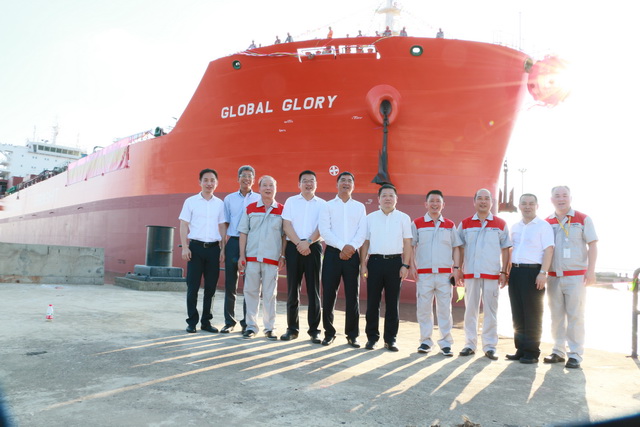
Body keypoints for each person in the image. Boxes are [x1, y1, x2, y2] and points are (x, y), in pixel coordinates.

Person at [544, 186, 598, 369]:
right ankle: (558, 351)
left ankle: (575, 354)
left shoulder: (583, 219)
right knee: (556, 316)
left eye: (564, 195)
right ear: (552, 199)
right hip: (553, 277)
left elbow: (593, 245)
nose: (561, 199)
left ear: (570, 198)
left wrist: (591, 271)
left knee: (576, 315)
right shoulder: (546, 222)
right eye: (557, 196)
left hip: (575, 277)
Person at [457, 188, 511, 360]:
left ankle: (489, 346)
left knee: (491, 311)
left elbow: (506, 249)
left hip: (492, 274)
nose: (483, 201)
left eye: (486, 198)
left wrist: (504, 271)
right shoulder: (465, 224)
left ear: (491, 202)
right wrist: (458, 269)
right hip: (471, 274)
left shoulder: (500, 224)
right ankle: (469, 344)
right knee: (470, 310)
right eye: (479, 198)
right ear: (474, 202)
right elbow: (459, 248)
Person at [360, 184, 412, 351]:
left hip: (395, 263)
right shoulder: (370, 218)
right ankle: (372, 338)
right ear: (379, 199)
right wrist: (363, 264)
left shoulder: (403, 218)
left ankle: (390, 339)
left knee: (392, 303)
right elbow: (365, 242)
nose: (387, 198)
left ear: (396, 199)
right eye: (384, 195)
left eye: (391, 195)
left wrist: (405, 265)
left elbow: (407, 243)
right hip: (375, 262)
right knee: (372, 302)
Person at [319, 171, 367, 347]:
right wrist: (342, 247)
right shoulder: (327, 206)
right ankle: (329, 333)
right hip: (332, 254)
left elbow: (362, 231)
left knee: (353, 296)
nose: (346, 183)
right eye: (343, 180)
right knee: (329, 295)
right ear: (337, 184)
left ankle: (352, 334)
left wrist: (351, 247)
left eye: (349, 181)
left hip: (352, 254)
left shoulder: (360, 207)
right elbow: (324, 230)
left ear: (353, 186)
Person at [411, 190, 462, 357]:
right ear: (426, 204)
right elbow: (411, 245)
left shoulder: (450, 224)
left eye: (438, 201)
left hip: (444, 276)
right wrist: (412, 266)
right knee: (424, 309)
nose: (435, 204)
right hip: (424, 274)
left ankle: (446, 343)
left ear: (443, 205)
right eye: (431, 201)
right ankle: (425, 341)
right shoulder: (417, 223)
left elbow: (456, 247)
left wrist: (456, 269)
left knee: (445, 310)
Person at [505, 194, 554, 364]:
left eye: (531, 204)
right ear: (519, 206)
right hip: (516, 271)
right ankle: (520, 349)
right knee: (517, 312)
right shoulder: (515, 227)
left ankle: (532, 352)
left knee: (533, 313)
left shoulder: (543, 226)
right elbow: (511, 250)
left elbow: (549, 250)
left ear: (537, 206)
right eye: (524, 203)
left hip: (533, 273)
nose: (527, 206)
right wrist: (507, 272)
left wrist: (543, 273)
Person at [238, 176, 286, 340]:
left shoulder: (282, 210)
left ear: (276, 188)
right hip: (252, 258)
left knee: (270, 294)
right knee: (250, 292)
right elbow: (243, 232)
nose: (268, 188)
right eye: (264, 185)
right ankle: (251, 327)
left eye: (271, 185)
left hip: (271, 259)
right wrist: (242, 256)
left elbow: (284, 235)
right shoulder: (250, 208)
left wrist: (282, 255)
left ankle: (269, 328)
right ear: (259, 189)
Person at [178, 168, 226, 333]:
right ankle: (192, 322)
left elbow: (222, 226)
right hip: (195, 248)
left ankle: (206, 322)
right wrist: (185, 247)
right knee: (193, 287)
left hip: (213, 249)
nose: (209, 183)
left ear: (216, 183)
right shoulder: (190, 201)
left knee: (211, 288)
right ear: (200, 182)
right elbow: (183, 224)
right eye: (205, 180)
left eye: (212, 180)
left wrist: (222, 249)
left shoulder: (220, 204)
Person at [281, 171, 325, 343]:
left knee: (314, 290)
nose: (308, 184)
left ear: (316, 184)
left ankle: (314, 330)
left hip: (313, 247)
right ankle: (292, 329)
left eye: (311, 181)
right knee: (293, 289)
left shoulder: (323, 204)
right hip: (294, 247)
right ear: (299, 184)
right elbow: (286, 225)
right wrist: (299, 243)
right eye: (305, 181)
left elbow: (322, 227)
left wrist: (308, 242)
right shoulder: (291, 201)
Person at [222, 165, 260, 333]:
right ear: (238, 179)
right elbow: (225, 223)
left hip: (252, 243)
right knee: (230, 284)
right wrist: (223, 247)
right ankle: (229, 322)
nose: (247, 179)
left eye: (250, 176)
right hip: (233, 242)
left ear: (254, 180)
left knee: (250, 285)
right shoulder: (229, 199)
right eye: (243, 176)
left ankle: (247, 323)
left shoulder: (259, 198)